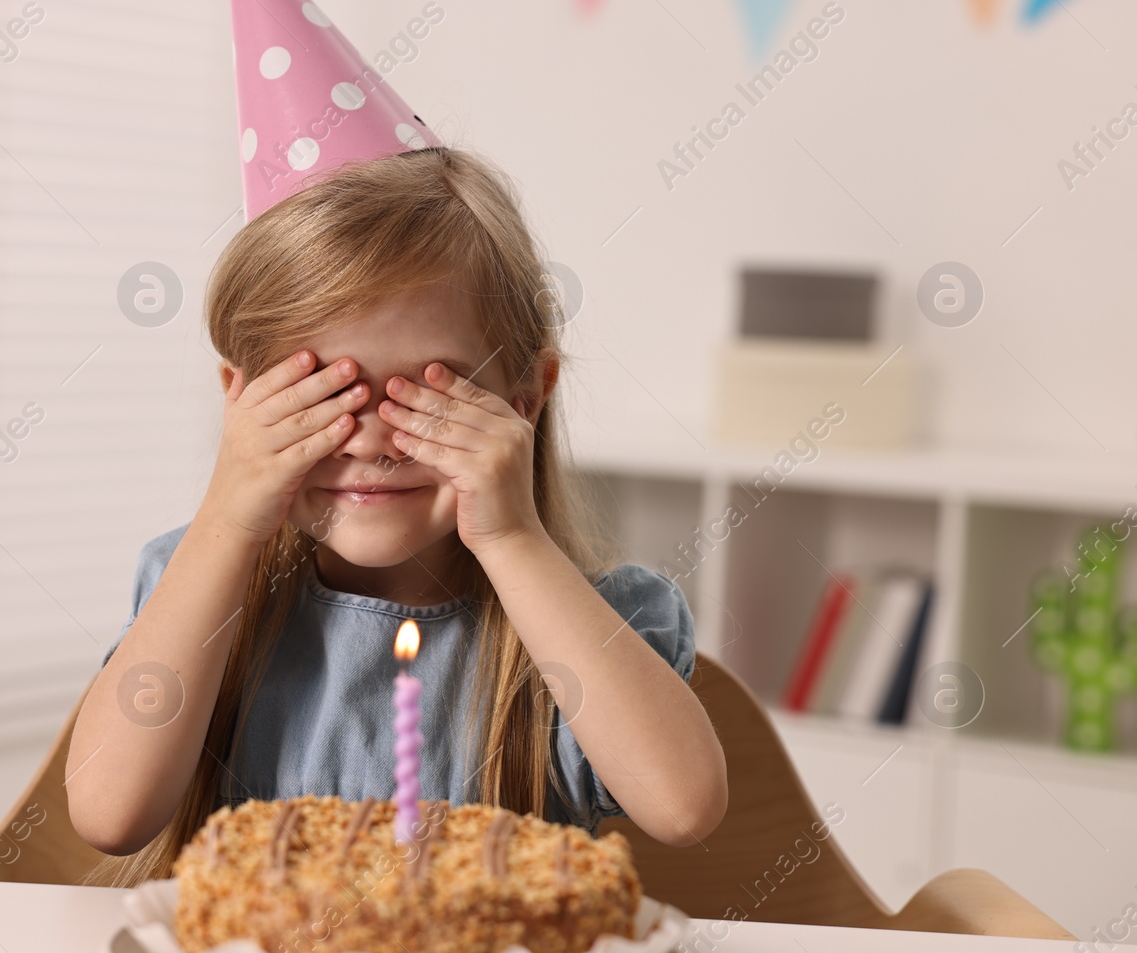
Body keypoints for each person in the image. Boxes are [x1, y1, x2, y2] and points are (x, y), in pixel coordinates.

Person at [67, 146, 727, 885]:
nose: (376, 438)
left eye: (425, 392)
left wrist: (511, 539)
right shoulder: (199, 585)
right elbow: (108, 814)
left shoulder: (595, 620)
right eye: (321, 391)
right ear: (240, 401)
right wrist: (227, 520)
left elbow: (685, 806)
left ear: (525, 400)